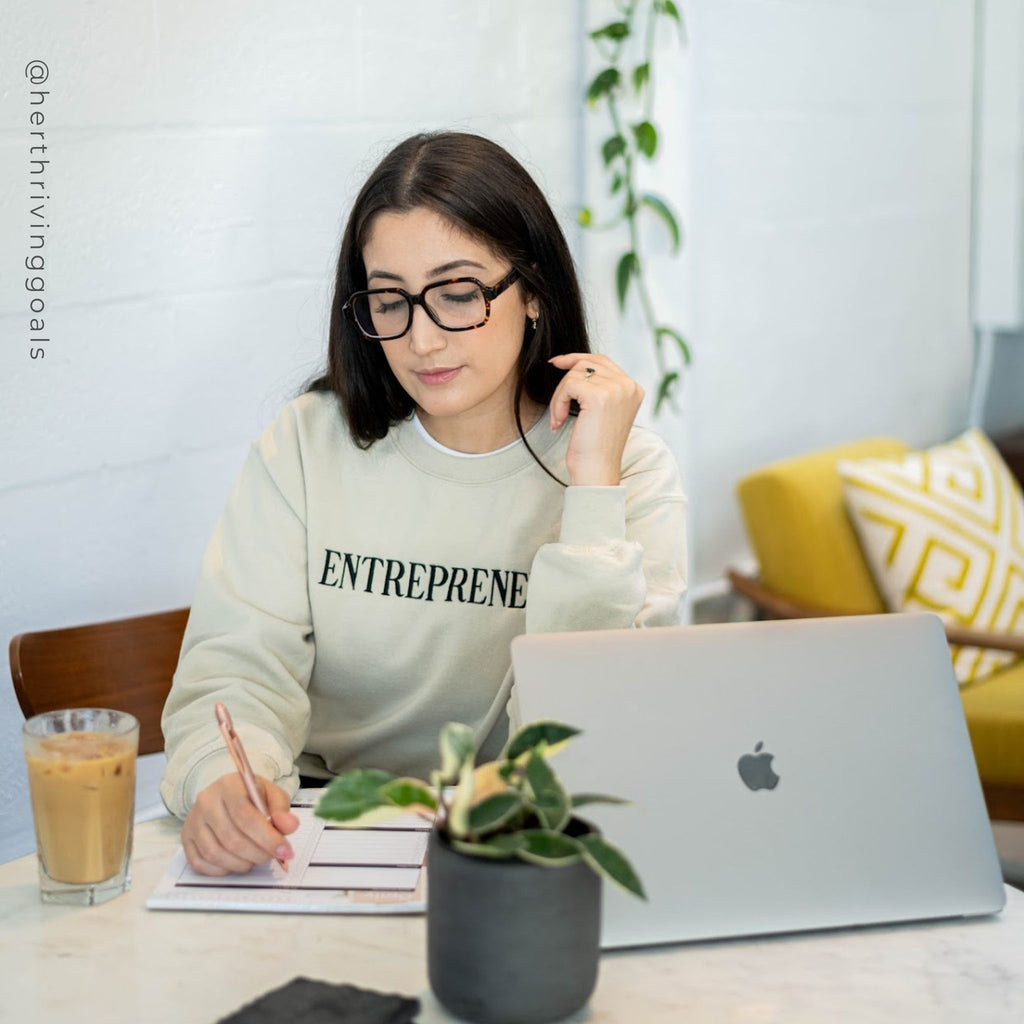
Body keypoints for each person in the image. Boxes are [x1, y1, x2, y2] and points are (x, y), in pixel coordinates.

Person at [160, 131, 687, 876]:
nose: (422, 339)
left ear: (533, 291)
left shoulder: (627, 467)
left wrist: (592, 488)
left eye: (458, 293)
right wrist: (222, 780)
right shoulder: (309, 444)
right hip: (315, 833)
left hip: (524, 849)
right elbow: (238, 667)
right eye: (390, 300)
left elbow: (588, 739)